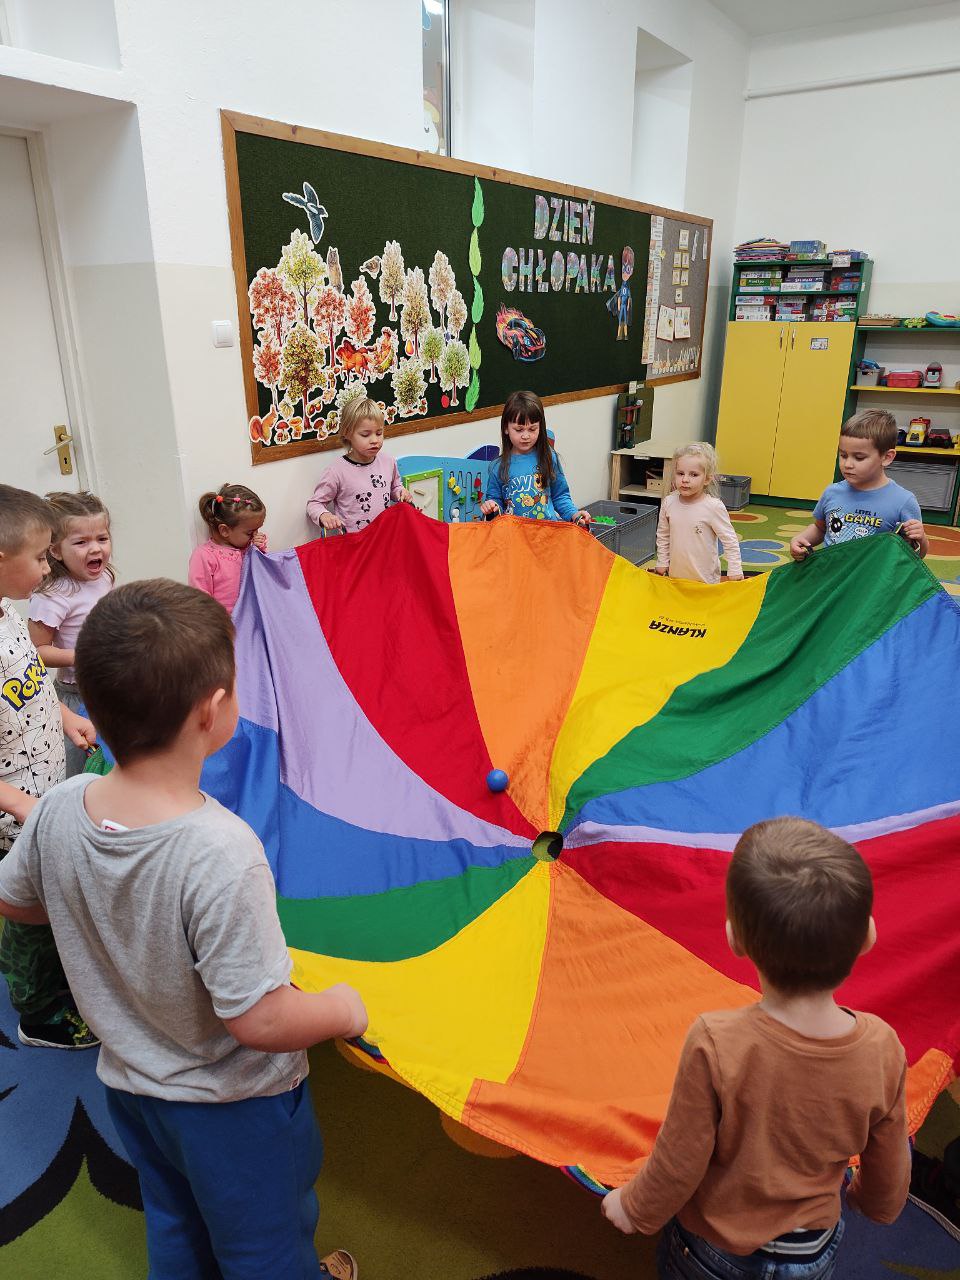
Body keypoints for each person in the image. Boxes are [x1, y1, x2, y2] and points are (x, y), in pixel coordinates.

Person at [0, 578, 367, 1280]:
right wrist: (344, 1010)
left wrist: (87, 905)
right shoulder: (221, 852)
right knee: (264, 1247)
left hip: (132, 1086)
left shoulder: (60, 807)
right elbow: (259, 1019)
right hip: (236, 1107)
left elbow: (15, 901)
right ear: (213, 709)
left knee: (173, 1219)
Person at [601, 816, 910, 1279]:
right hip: (811, 1253)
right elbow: (889, 1160)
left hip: (714, 1251)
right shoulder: (883, 1048)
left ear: (735, 939)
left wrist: (635, 1208)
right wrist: (873, 1202)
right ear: (868, 936)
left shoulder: (716, 1041)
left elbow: (681, 1157)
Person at [0, 484, 98, 1049]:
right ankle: (38, 1013)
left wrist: (64, 715)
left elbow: (29, 679)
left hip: (39, 791)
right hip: (14, 812)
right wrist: (17, 803)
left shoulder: (7, 612)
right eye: (40, 557)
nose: (46, 568)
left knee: (43, 900)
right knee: (30, 910)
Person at [28, 490, 115, 777]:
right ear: (55, 551)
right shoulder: (52, 596)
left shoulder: (104, 577)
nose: (96, 549)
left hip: (112, 685)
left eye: (102, 538)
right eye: (81, 542)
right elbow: (37, 652)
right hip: (77, 696)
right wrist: (83, 656)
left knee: (113, 760)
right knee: (81, 768)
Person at [790, 409, 929, 561]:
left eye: (859, 457)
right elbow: (820, 528)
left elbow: (917, 556)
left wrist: (921, 538)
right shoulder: (832, 492)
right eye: (843, 455)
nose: (847, 464)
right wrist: (801, 540)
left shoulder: (903, 501)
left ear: (887, 457)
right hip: (832, 571)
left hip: (873, 574)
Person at [480, 390, 591, 524]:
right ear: (506, 428)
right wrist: (491, 507)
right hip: (515, 534)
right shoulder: (498, 467)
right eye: (519, 429)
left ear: (540, 428)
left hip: (547, 532)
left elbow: (560, 496)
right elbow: (495, 503)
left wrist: (574, 514)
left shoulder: (548, 457)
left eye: (532, 429)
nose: (526, 436)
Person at [306, 397, 412, 533]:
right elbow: (315, 504)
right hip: (355, 542)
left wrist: (401, 493)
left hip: (385, 536)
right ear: (347, 433)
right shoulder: (336, 471)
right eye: (365, 435)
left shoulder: (388, 461)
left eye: (379, 433)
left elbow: (395, 487)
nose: (374, 440)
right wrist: (324, 515)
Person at [654, 442, 743, 582]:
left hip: (705, 580)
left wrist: (735, 568)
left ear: (707, 479)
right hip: (676, 576)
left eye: (694, 475)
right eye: (680, 473)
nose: (685, 480)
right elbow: (663, 535)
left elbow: (729, 540)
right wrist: (662, 561)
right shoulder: (669, 502)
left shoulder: (713, 507)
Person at [188, 483, 267, 612]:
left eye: (257, 530)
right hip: (225, 621)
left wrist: (260, 550)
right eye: (250, 533)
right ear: (224, 530)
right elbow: (199, 599)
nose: (255, 535)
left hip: (253, 616)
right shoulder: (204, 556)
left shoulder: (249, 548)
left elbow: (263, 574)